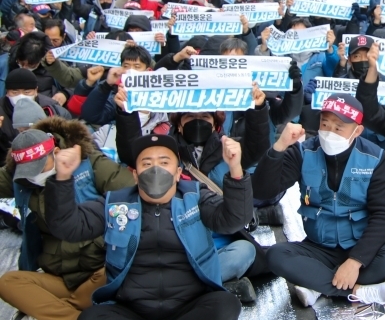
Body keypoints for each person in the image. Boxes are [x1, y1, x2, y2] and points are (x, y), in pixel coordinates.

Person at [44, 133, 251, 320]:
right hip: (132, 309)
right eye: (146, 163)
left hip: (189, 306)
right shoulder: (115, 204)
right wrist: (62, 179)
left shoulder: (195, 197)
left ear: (178, 173)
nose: (155, 169)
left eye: (163, 162)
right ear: (135, 174)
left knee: (225, 305)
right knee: (91, 316)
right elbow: (68, 227)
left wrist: (235, 170)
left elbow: (234, 219)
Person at [253, 94, 385, 307]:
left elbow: (384, 215)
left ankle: (317, 285)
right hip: (318, 248)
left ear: (357, 131)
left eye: (338, 128)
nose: (329, 132)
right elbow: (263, 190)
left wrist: (355, 262)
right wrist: (279, 147)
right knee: (277, 256)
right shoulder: (304, 151)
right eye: (324, 124)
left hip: (360, 247)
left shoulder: (374, 158)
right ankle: (358, 292)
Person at [0, 120, 135, 320]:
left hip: (101, 269)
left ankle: (62, 309)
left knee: (119, 275)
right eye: (29, 170)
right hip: (61, 276)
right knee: (9, 282)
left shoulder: (89, 164)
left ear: (55, 152)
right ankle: (76, 314)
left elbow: (131, 197)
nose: (35, 174)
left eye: (40, 166)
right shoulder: (20, 179)